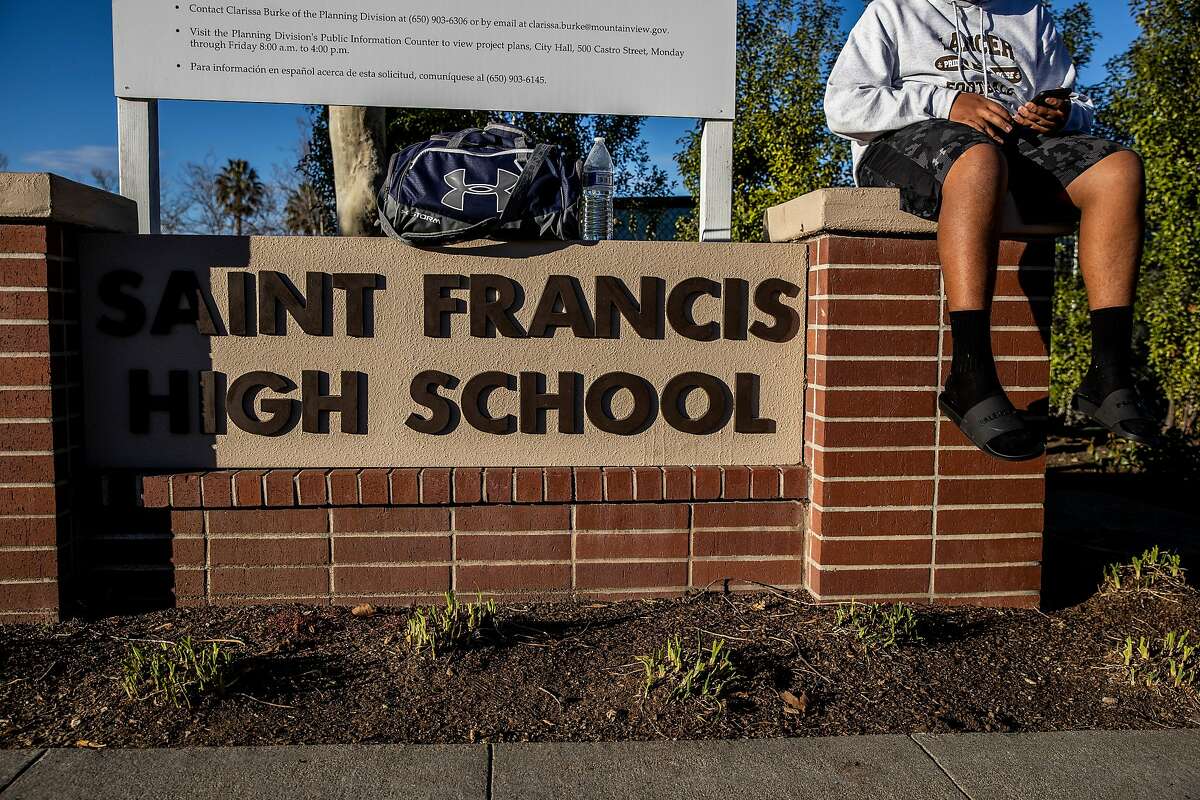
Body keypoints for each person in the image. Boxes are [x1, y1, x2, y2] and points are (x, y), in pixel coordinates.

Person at [824, 0, 1158, 461]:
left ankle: (1108, 373)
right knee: (979, 160)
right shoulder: (894, 9)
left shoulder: (1029, 13)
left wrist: (1061, 114)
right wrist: (946, 101)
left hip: (1013, 150)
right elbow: (843, 106)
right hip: (906, 148)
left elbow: (1075, 100)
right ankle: (970, 374)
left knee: (1120, 170)